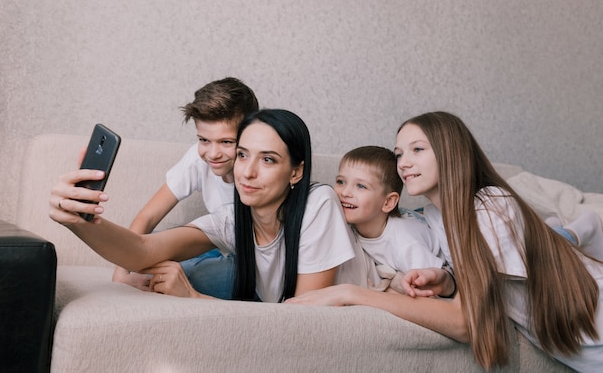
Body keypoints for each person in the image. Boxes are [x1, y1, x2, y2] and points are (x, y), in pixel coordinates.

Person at [287, 111, 602, 371]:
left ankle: (577, 229)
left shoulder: (490, 205)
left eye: (417, 150)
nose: (404, 163)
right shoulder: (433, 216)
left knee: (557, 237)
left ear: (451, 151)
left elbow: (466, 321)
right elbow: (473, 284)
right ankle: (568, 232)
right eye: (399, 154)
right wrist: (446, 282)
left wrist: (350, 293)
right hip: (580, 350)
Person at [50, 109, 356, 303]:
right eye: (243, 155)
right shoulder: (233, 220)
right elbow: (142, 250)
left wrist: (193, 297)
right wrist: (79, 220)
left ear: (296, 172)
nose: (247, 172)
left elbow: (305, 322)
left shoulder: (318, 203)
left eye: (268, 159)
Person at [112, 77, 259, 298]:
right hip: (219, 249)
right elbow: (148, 217)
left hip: (254, 265)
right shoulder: (198, 159)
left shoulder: (259, 171)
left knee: (190, 276)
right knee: (152, 244)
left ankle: (178, 280)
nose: (213, 153)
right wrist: (121, 274)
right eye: (204, 140)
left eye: (226, 142)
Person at [333, 146, 453, 295]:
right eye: (340, 181)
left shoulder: (405, 243)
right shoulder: (347, 225)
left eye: (361, 186)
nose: (345, 192)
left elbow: (433, 289)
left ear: (388, 202)